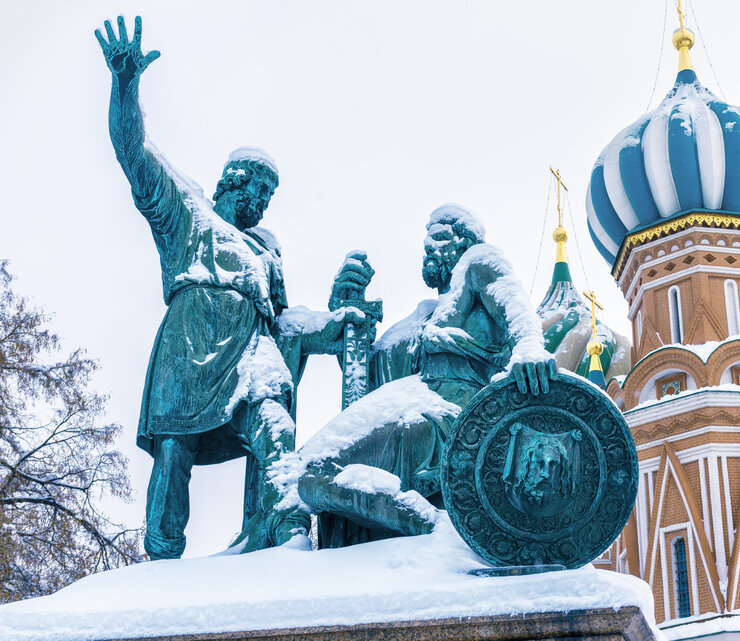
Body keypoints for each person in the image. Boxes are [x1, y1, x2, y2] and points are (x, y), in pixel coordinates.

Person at [95, 16, 360, 559]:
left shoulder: (266, 253)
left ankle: (285, 531)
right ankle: (162, 558)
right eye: (257, 191)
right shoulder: (187, 213)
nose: (262, 204)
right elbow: (133, 153)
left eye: (269, 197)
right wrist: (125, 86)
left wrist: (335, 322)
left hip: (251, 361)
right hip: (188, 351)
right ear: (231, 182)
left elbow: (286, 324)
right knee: (174, 451)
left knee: (275, 426)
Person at [289, 204, 558, 546]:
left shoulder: (477, 264)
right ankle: (423, 524)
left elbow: (515, 307)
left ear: (465, 243)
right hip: (413, 407)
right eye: (427, 240)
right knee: (308, 474)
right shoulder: (421, 318)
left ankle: (437, 534)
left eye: (441, 237)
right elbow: (370, 382)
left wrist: (529, 345)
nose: (430, 246)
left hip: (450, 418)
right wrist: (348, 316)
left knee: (313, 472)